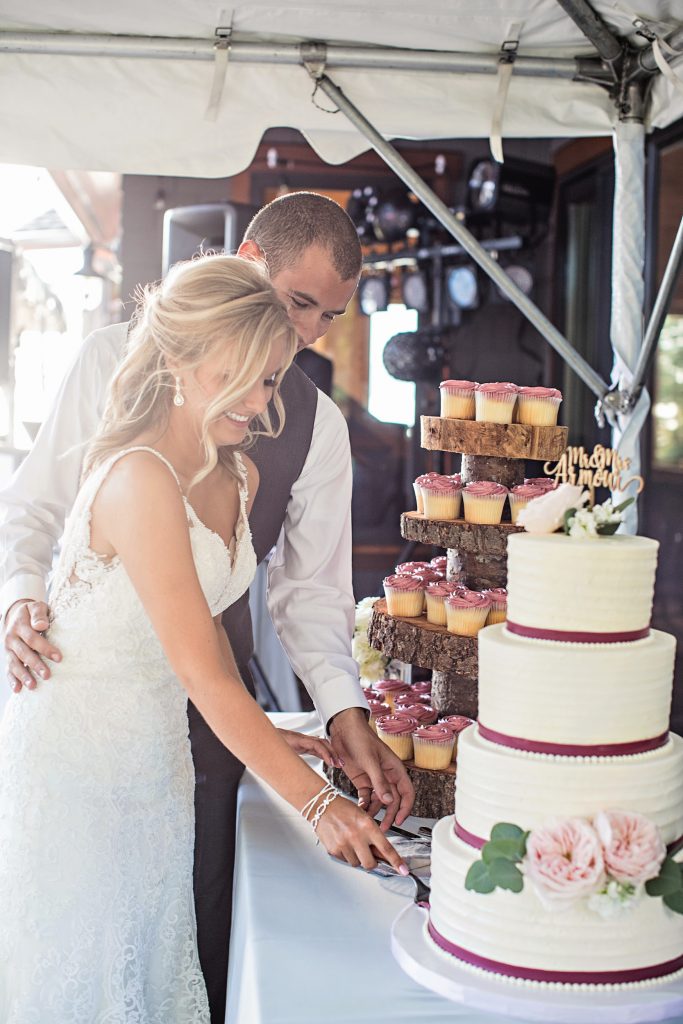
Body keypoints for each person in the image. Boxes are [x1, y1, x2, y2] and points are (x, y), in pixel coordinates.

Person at [1, 192, 415, 1021]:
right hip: (89, 719)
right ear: (248, 262)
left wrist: (341, 715)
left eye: (326, 317)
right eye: (297, 303)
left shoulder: (298, 432)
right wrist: (19, 595)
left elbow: (310, 593)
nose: (304, 335)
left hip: (189, 710)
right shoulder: (117, 389)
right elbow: (36, 508)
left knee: (191, 917)